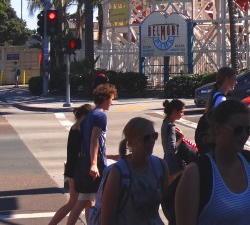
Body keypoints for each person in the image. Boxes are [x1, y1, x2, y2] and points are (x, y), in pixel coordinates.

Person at [175, 98, 250, 224]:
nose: (244, 135)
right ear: (217, 128)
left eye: (248, 130)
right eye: (238, 130)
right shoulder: (196, 173)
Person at [99, 117, 169, 224]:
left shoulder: (160, 166)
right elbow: (106, 220)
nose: (152, 141)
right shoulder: (118, 172)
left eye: (154, 136)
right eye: (146, 138)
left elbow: (168, 206)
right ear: (131, 142)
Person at [66, 83, 118, 225]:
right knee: (96, 200)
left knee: (84, 200)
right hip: (95, 162)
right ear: (106, 98)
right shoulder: (101, 116)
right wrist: (94, 164)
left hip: (85, 161)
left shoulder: (89, 115)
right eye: (112, 99)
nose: (112, 103)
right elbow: (94, 139)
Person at [48, 104, 94, 225]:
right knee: (75, 202)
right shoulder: (80, 130)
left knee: (88, 202)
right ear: (85, 116)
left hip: (73, 169)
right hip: (77, 171)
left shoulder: (76, 128)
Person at [195, 67, 237, 153]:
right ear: (226, 79)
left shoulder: (216, 95)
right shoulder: (221, 100)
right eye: (234, 79)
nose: (236, 82)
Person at [162, 99, 197, 179]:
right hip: (174, 163)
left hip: (167, 159)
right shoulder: (171, 127)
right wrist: (181, 137)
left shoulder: (165, 122)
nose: (183, 114)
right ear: (174, 111)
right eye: (181, 111)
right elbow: (173, 148)